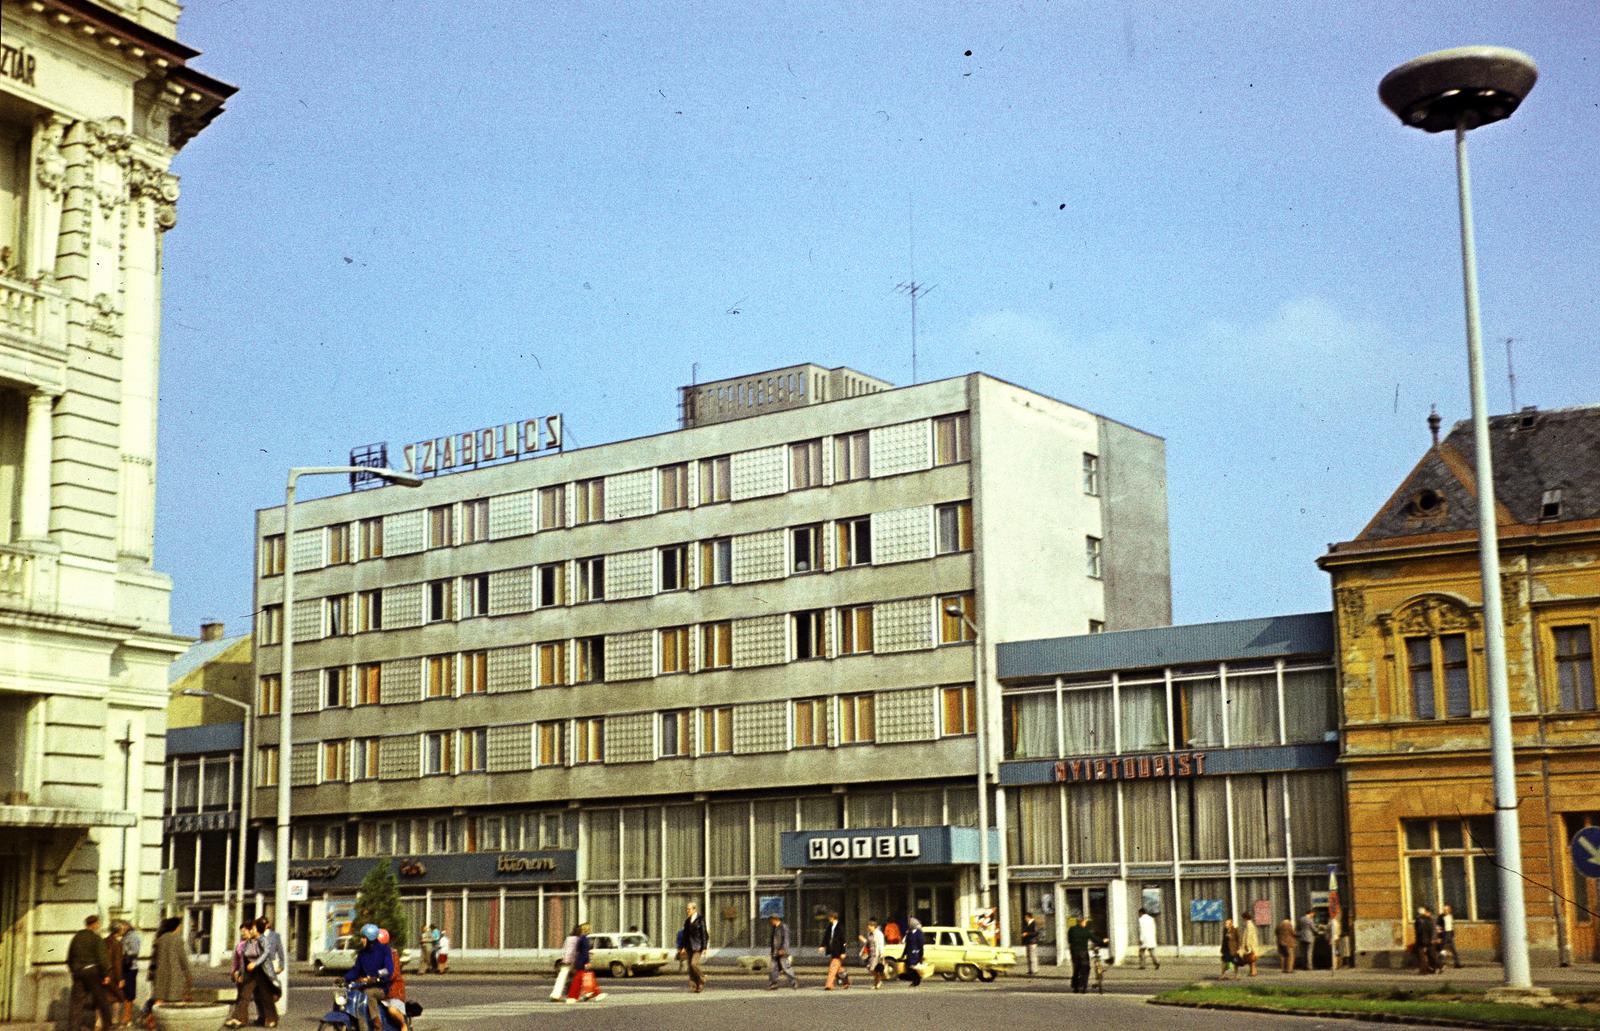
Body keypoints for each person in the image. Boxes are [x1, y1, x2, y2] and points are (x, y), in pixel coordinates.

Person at [343, 923, 394, 1031]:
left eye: (363, 937)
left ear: (370, 938)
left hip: (381, 987)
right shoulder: (362, 953)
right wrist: (344, 978)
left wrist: (377, 977)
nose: (361, 940)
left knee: (369, 994)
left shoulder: (384, 950)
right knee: (350, 994)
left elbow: (389, 969)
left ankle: (377, 1024)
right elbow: (356, 970)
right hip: (365, 985)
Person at [68, 915, 114, 1031]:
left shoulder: (76, 938)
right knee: (102, 1000)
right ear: (95, 924)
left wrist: (74, 970)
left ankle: (74, 1028)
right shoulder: (96, 938)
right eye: (98, 923)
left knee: (76, 1003)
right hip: (92, 972)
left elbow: (69, 958)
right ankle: (107, 1026)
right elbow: (102, 958)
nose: (99, 925)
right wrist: (106, 974)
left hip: (78, 972)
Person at [148, 917, 191, 1023]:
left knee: (159, 1000)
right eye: (180, 926)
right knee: (175, 1000)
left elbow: (154, 959)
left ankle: (153, 1022)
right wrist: (188, 973)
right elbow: (183, 958)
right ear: (176, 927)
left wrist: (151, 974)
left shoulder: (159, 939)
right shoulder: (177, 939)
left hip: (160, 974)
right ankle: (173, 1024)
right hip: (174, 974)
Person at [566, 923, 605, 1003]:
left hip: (581, 961)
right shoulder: (584, 938)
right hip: (583, 961)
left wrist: (582, 963)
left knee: (577, 980)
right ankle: (596, 993)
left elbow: (583, 952)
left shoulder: (583, 939)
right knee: (587, 978)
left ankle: (573, 996)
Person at [255, 916, 285, 1010]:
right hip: (259, 966)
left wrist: (281, 966)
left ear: (268, 924)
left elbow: (280, 952)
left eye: (264, 923)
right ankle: (262, 1014)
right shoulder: (257, 936)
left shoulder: (275, 936)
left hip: (271, 964)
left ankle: (270, 1013)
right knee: (259, 991)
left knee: (271, 989)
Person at [679, 902, 708, 993]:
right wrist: (683, 947)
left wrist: (704, 947)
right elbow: (685, 935)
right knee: (690, 968)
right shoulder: (687, 921)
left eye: (689, 909)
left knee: (693, 964)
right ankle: (696, 985)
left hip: (698, 946)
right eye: (687, 909)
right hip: (689, 946)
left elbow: (704, 933)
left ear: (694, 909)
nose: (687, 911)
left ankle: (702, 978)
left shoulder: (700, 919)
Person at [819, 911, 850, 990]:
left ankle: (829, 985)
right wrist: (822, 945)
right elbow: (826, 937)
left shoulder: (840, 927)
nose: (829, 919)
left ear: (833, 917)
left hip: (838, 951)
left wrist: (843, 952)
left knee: (832, 968)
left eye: (829, 917)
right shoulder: (830, 926)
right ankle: (846, 982)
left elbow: (844, 941)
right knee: (839, 969)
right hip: (832, 950)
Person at [767, 914, 799, 990]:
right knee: (774, 968)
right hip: (775, 952)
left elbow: (786, 939)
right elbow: (773, 941)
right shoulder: (774, 927)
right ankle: (773, 984)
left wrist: (783, 949)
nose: (770, 922)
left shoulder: (783, 927)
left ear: (775, 919)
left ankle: (794, 981)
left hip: (782, 951)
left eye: (771, 920)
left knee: (786, 968)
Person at [106, 920, 129, 1021]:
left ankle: (99, 1022)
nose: (123, 930)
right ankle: (114, 1020)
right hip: (114, 975)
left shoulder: (103, 941)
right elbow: (117, 963)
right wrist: (120, 979)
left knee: (103, 998)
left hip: (104, 974)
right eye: (122, 928)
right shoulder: (117, 944)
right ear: (118, 930)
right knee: (118, 998)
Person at [121, 920, 143, 1026]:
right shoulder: (126, 936)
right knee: (126, 993)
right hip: (125, 967)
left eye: (123, 926)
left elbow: (135, 951)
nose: (121, 929)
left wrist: (124, 954)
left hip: (130, 967)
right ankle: (126, 1017)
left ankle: (127, 1017)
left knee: (129, 993)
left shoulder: (132, 936)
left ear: (127, 926)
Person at [551, 927, 577, 1002]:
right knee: (577, 978)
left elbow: (565, 949)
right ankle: (573, 994)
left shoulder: (568, 939)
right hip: (572, 961)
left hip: (565, 960)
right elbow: (573, 951)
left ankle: (555, 994)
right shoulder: (577, 939)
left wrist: (564, 959)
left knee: (561, 978)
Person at [898, 918, 925, 987]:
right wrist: (903, 954)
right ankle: (916, 980)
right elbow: (907, 945)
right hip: (909, 953)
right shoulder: (909, 933)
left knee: (912, 967)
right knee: (909, 967)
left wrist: (921, 955)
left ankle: (916, 980)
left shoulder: (919, 933)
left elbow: (921, 945)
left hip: (916, 953)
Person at [861, 919, 887, 989]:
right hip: (870, 954)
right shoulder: (869, 934)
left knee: (874, 969)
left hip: (876, 954)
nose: (868, 927)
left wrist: (881, 954)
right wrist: (863, 940)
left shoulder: (879, 934)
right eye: (868, 926)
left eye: (869, 926)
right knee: (870, 968)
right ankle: (877, 981)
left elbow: (881, 944)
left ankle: (877, 982)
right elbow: (868, 943)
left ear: (873, 926)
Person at [1412, 906, 1435, 975]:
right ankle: (1431, 968)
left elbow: (1418, 931)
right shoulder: (1429, 919)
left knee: (1421, 955)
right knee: (1429, 954)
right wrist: (1431, 938)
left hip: (1421, 940)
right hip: (1428, 939)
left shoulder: (1419, 920)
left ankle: (1424, 970)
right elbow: (1431, 930)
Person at [1438, 904, 1462, 968]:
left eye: (1447, 910)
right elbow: (1438, 927)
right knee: (1443, 949)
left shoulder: (1451, 916)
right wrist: (1440, 936)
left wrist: (1453, 934)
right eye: (1444, 910)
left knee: (1453, 949)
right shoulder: (1440, 917)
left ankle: (1457, 963)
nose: (1445, 911)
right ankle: (1440, 962)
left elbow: (1452, 925)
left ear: (1449, 910)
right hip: (1444, 934)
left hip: (1450, 933)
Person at [1019, 912, 1039, 976]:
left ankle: (1034, 970)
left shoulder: (1034, 923)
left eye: (1025, 917)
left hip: (1032, 942)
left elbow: (1035, 933)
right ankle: (1030, 970)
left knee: (1033, 956)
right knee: (1029, 957)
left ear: (1028, 917)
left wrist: (1027, 933)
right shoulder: (1028, 923)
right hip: (1028, 942)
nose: (1025, 919)